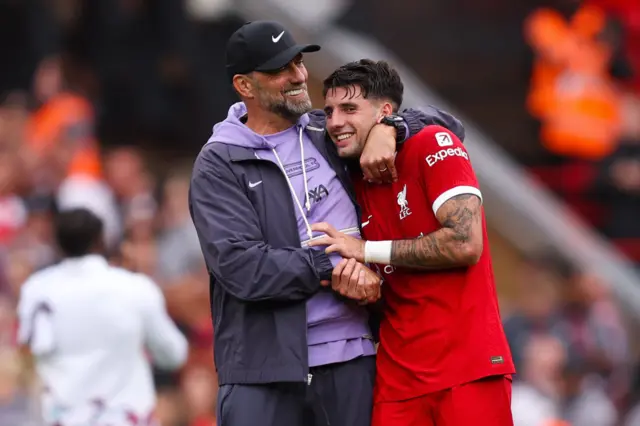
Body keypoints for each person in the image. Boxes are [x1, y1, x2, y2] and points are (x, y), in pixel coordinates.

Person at [189, 21, 464, 426]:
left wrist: (392, 128)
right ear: (245, 87)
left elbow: (447, 127)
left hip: (354, 357)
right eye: (281, 69)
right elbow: (240, 267)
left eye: (298, 63)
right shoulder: (218, 163)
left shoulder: (326, 130)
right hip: (263, 371)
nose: (299, 75)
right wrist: (331, 265)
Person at [310, 59, 515, 426]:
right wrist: (361, 286)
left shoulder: (432, 143)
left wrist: (364, 251)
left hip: (467, 367)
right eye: (329, 111)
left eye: (349, 108)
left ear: (385, 112)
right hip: (397, 380)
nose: (335, 121)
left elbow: (465, 244)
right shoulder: (348, 180)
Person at [17, 208, 188, 426]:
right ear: (100, 241)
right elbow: (174, 354)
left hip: (63, 419)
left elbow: (29, 352)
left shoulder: (36, 290)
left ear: (58, 244)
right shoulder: (135, 288)